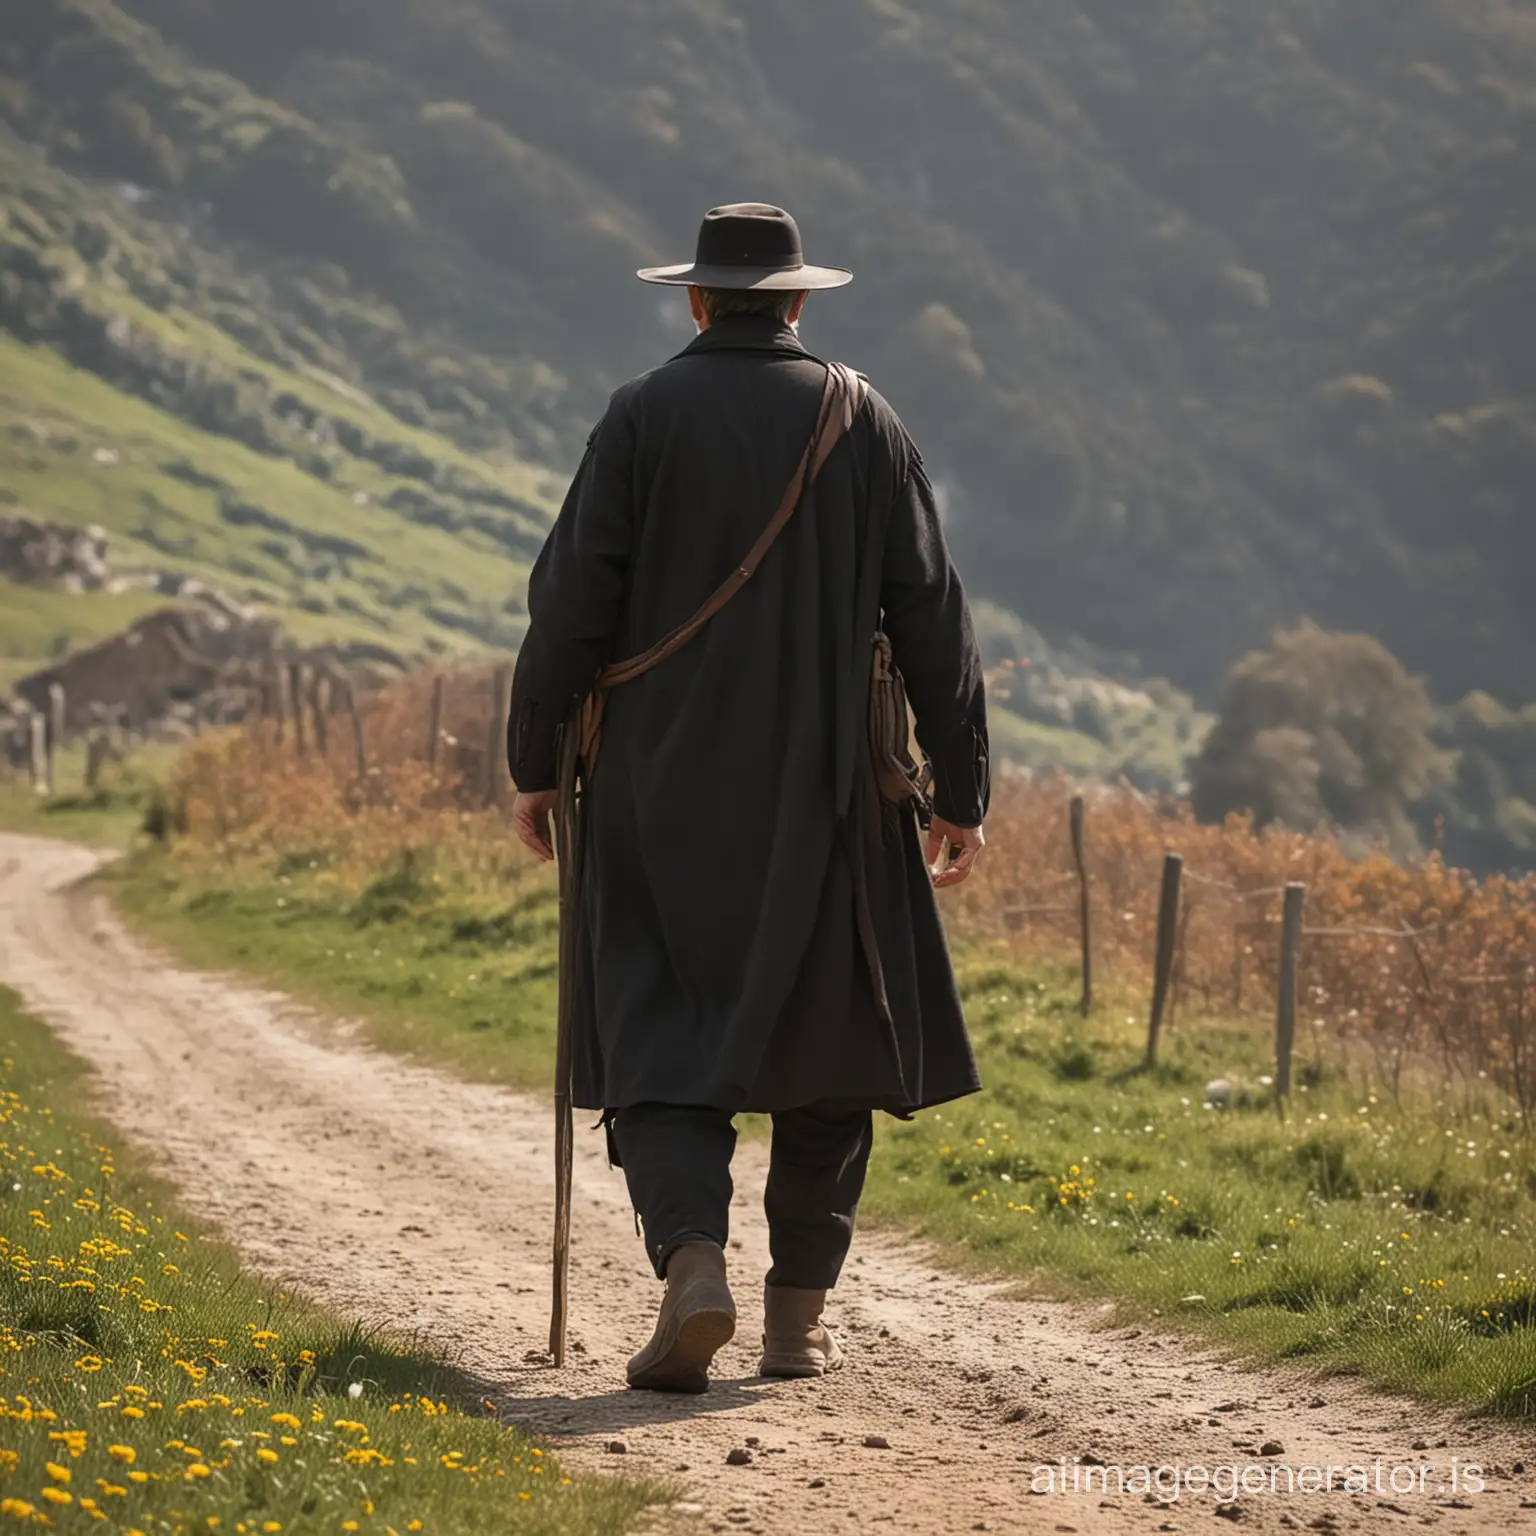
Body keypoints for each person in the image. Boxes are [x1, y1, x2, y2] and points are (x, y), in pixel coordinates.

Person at [508, 203, 989, 1393]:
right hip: (831, 800)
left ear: (695, 299)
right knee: (832, 1055)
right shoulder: (861, 418)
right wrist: (960, 786)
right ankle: (794, 1322)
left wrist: (532, 761)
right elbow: (932, 614)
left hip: (654, 790)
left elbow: (568, 606)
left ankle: (691, 1263)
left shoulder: (640, 418)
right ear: (800, 301)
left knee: (657, 1036)